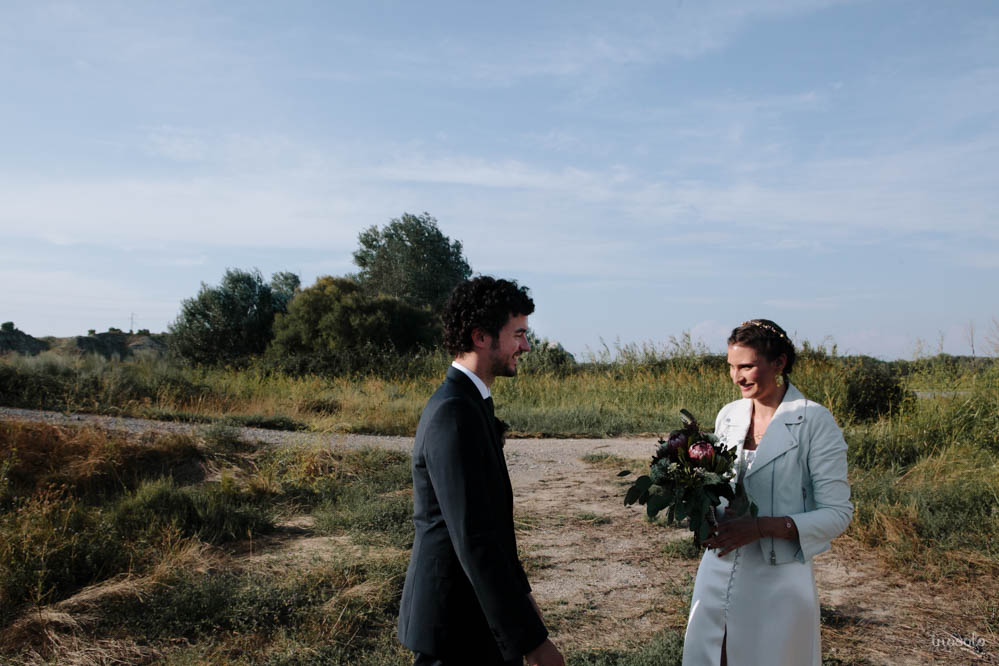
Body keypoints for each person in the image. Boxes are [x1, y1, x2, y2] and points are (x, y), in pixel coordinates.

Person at [398, 276, 565, 666]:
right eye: (519, 334)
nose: (526, 345)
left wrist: (525, 602)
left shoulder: (470, 403)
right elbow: (475, 539)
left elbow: (492, 529)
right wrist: (533, 643)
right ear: (480, 337)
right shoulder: (454, 414)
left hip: (476, 619)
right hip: (455, 628)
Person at [682, 319, 853, 666]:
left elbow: (838, 513)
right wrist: (701, 511)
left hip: (778, 578)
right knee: (710, 655)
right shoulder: (728, 416)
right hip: (717, 566)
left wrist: (760, 527)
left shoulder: (815, 422)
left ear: (779, 363)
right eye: (731, 366)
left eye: (746, 366)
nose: (737, 376)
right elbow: (718, 488)